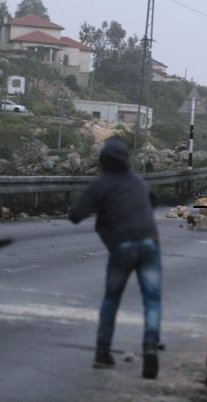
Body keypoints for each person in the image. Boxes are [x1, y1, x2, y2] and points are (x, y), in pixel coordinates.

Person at [68, 139, 162, 380]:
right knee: (152, 299)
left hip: (122, 246)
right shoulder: (138, 181)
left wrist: (99, 208)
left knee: (112, 299)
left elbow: (76, 215)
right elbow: (153, 202)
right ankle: (151, 346)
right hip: (150, 242)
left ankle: (102, 354)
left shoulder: (101, 184)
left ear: (102, 162)